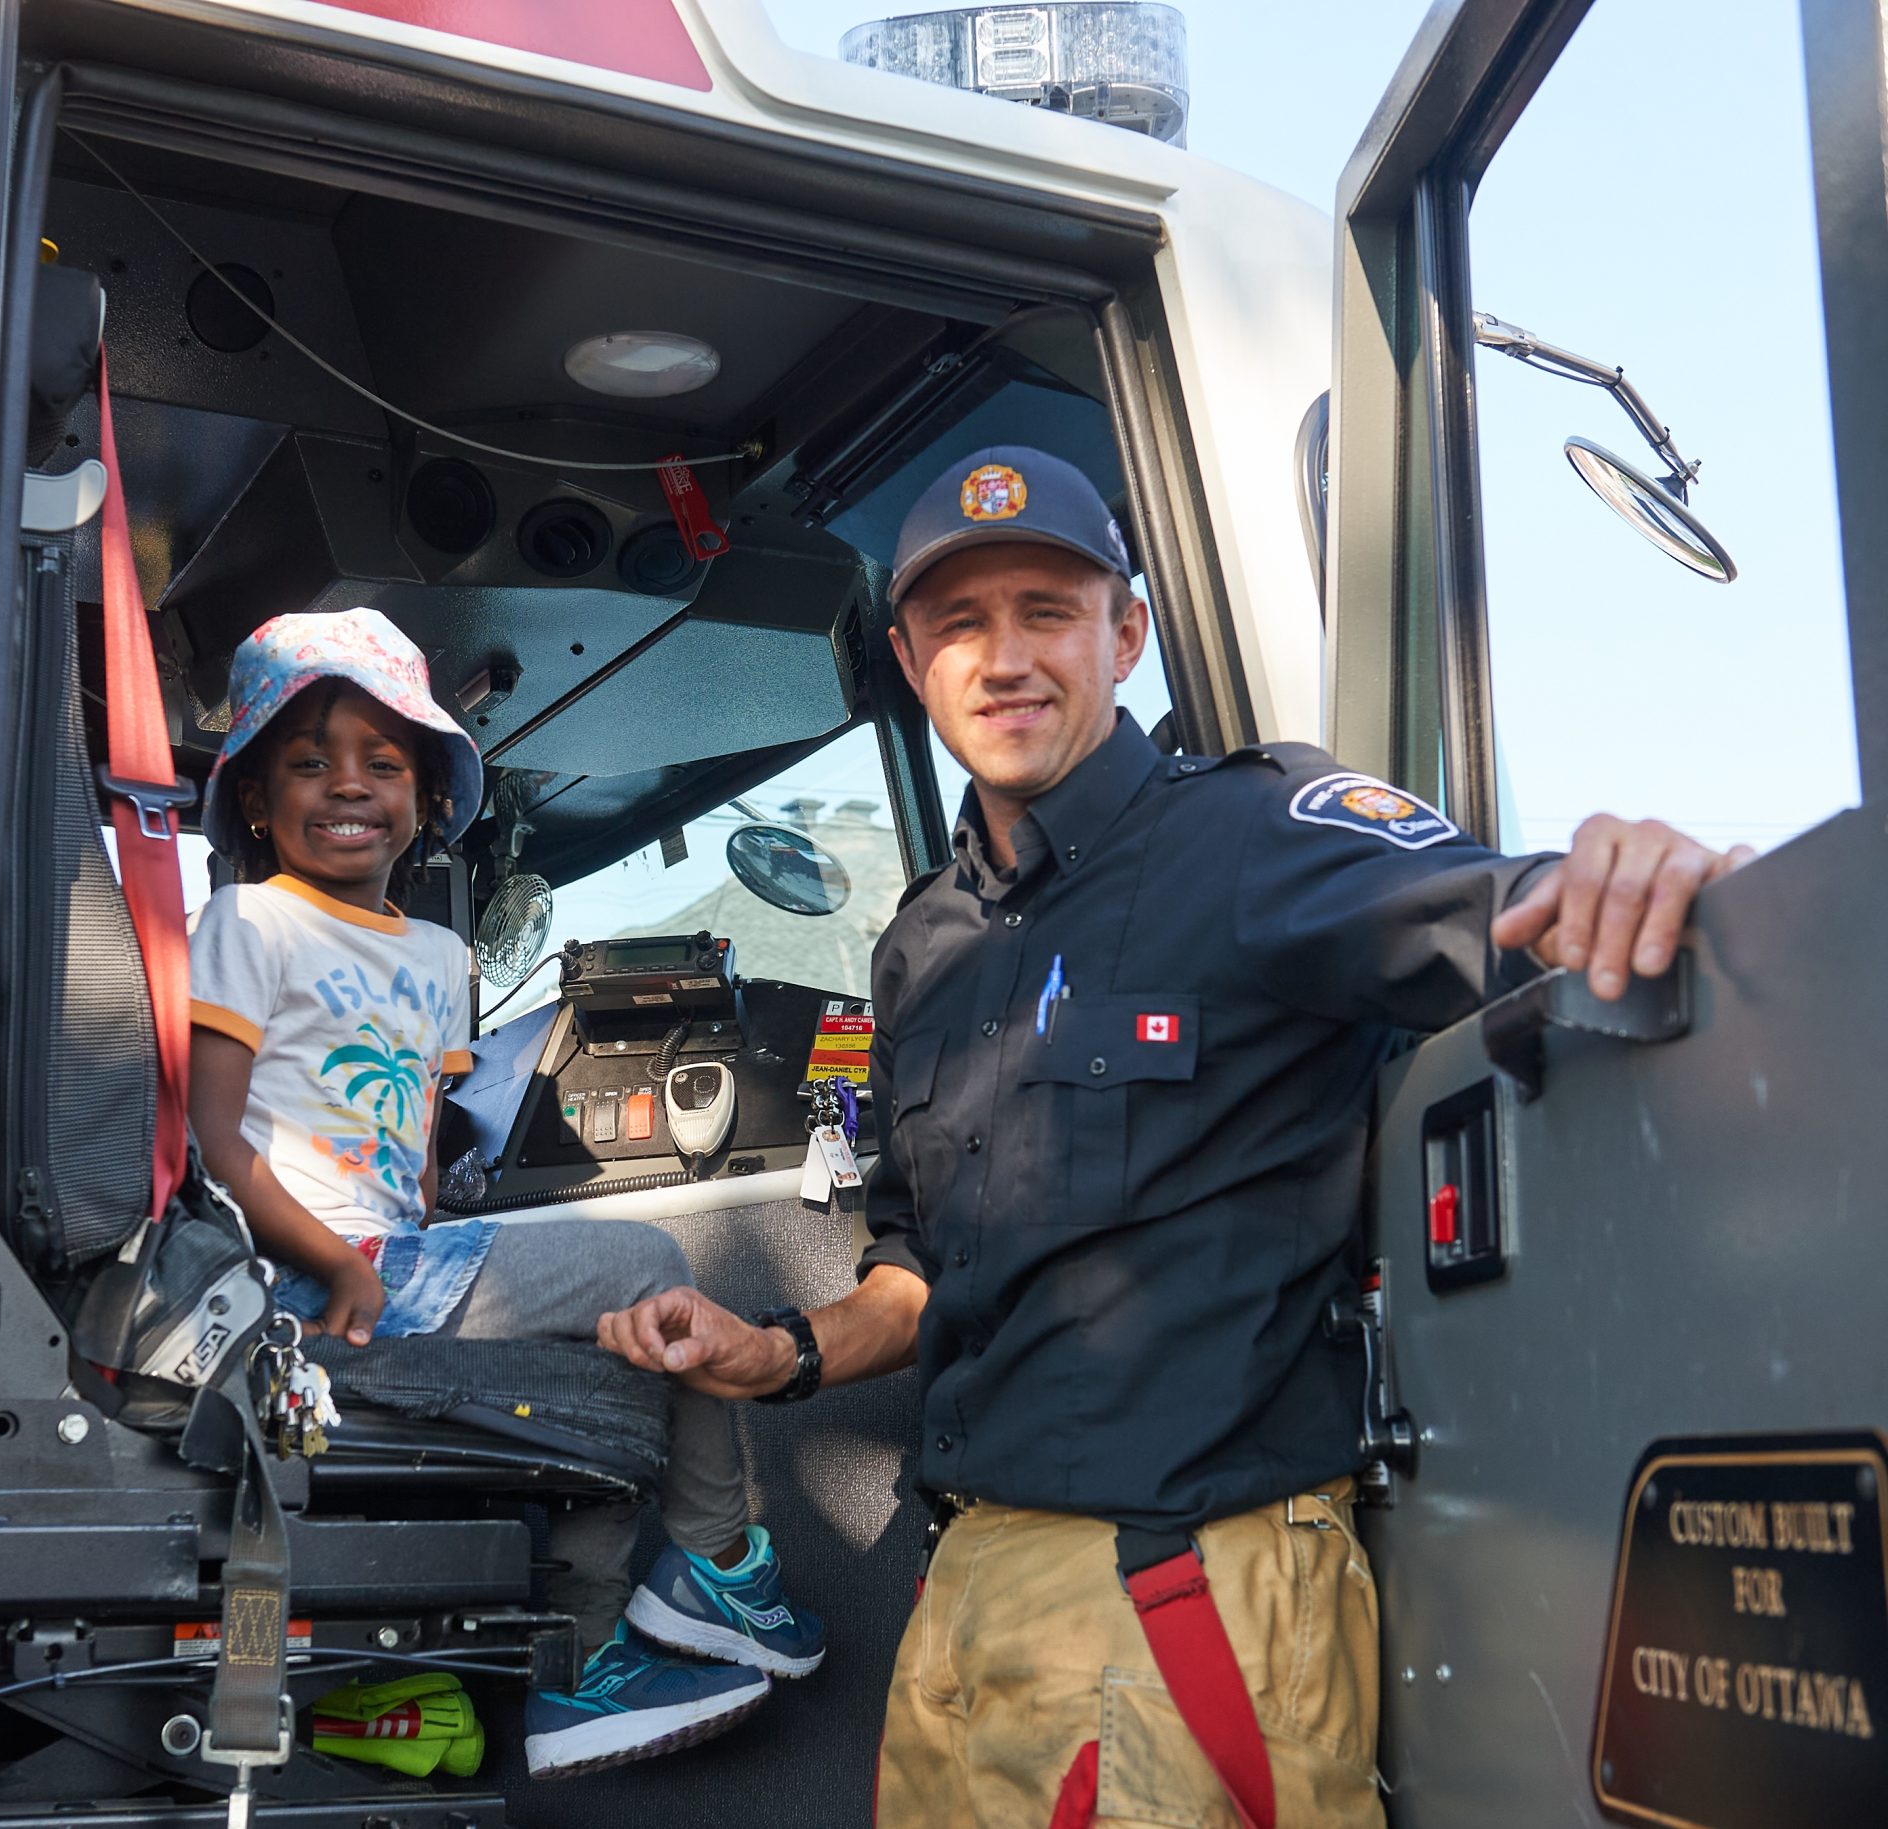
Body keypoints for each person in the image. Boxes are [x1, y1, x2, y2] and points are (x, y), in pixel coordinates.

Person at [593, 449, 1749, 1825]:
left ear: (1124, 634)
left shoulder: (1258, 834)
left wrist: (1643, 878)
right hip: (962, 1597)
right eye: (962, 623)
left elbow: (1511, 914)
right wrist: (775, 1352)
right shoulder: (918, 949)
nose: (1005, 657)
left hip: (1182, 1591)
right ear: (911, 660)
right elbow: (917, 1280)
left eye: (1047, 610)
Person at [184, 607, 825, 1781]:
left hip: (401, 1253)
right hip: (292, 1274)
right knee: (649, 1272)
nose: (347, 785)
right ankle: (719, 1561)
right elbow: (216, 1140)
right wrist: (337, 1263)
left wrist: (440, 1227)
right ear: (258, 802)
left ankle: (574, 1667)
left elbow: (418, 1154)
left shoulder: (437, 956)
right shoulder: (247, 920)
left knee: (606, 1351)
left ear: (428, 800)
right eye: (310, 760)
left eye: (383, 762)